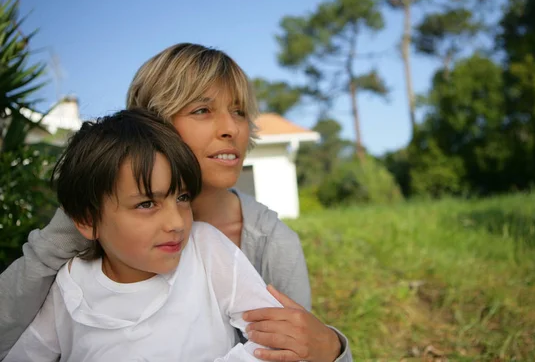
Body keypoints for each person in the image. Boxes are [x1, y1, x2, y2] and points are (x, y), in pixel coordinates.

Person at [0, 43, 352, 362]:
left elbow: (294, 350)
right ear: (153, 124)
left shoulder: (273, 243)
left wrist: (334, 349)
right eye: (202, 110)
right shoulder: (98, 219)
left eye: (240, 111)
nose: (231, 128)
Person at [5, 108, 286, 361]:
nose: (176, 222)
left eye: (183, 197)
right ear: (88, 220)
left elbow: (278, 339)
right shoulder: (71, 285)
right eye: (147, 204)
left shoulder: (208, 251)